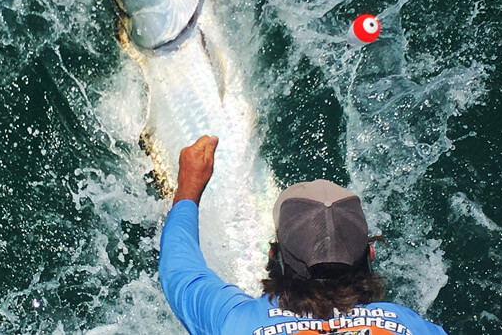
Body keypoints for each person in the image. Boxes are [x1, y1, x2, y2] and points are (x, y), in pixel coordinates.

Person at [159, 135, 448, 335]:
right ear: (370, 254)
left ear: (274, 256)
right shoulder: (412, 327)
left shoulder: (235, 322)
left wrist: (188, 188)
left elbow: (179, 270)